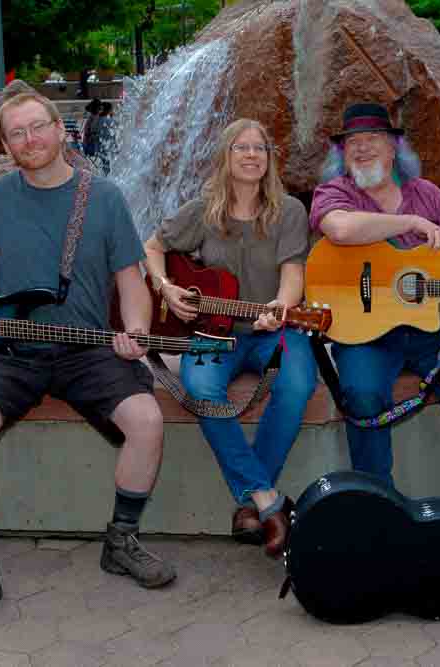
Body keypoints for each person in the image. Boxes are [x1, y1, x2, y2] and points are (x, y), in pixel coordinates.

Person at [0, 91, 175, 632]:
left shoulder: (104, 198)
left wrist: (136, 330)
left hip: (87, 348)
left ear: (60, 131)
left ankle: (122, 541)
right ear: (6, 144)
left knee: (147, 421)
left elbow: (131, 283)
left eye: (37, 128)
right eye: (17, 134)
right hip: (13, 347)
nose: (29, 141)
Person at [309, 102, 440, 529]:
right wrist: (407, 222)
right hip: (364, 331)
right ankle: (382, 513)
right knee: (361, 397)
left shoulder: (429, 194)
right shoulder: (335, 192)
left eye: (372, 141)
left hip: (433, 326)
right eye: (352, 143)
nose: (361, 150)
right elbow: (339, 229)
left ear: (394, 147)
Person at [143, 118, 317, 557]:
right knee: (201, 388)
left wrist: (279, 307)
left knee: (297, 384)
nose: (252, 155)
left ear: (269, 159)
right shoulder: (203, 210)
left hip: (268, 330)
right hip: (210, 331)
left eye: (260, 148)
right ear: (226, 155)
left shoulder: (289, 211)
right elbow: (151, 248)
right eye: (242, 147)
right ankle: (266, 499)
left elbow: (293, 274)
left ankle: (250, 504)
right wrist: (166, 288)